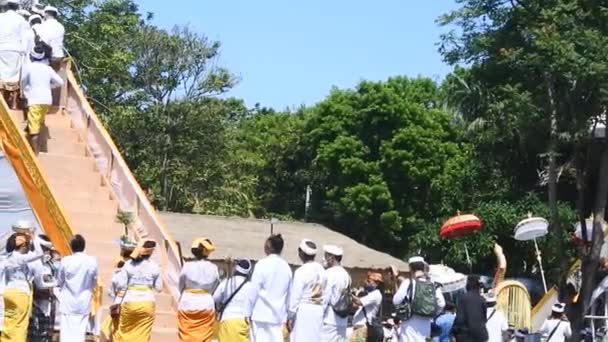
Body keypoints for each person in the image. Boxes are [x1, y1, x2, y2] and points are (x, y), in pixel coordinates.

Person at [114, 239, 162, 341]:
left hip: (129, 302)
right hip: (147, 303)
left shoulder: (128, 264)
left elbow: (121, 284)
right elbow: (159, 288)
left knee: (125, 331)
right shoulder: (155, 267)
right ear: (151, 252)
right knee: (143, 334)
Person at [250, 234, 293, 342]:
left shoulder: (262, 264)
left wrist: (247, 312)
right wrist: (287, 314)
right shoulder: (287, 267)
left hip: (260, 314)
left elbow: (253, 291)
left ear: (269, 246)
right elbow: (289, 295)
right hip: (278, 317)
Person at [21, 45, 63, 155]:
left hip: (35, 99)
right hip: (47, 100)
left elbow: (23, 82)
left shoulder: (29, 67)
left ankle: (35, 154)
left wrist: (26, 91)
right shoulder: (48, 68)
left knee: (34, 129)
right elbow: (60, 82)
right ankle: (30, 134)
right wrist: (50, 87)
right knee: (38, 122)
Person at [393, 256, 445, 342]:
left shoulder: (408, 283)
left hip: (409, 325)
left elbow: (396, 301)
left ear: (410, 268)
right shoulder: (433, 284)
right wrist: (431, 312)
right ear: (423, 267)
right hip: (426, 325)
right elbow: (441, 304)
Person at [2, 233, 42, 342]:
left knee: (9, 323)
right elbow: (39, 253)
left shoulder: (6, 257)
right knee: (20, 324)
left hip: (8, 292)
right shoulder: (20, 258)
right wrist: (35, 238)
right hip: (21, 293)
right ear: (23, 246)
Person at [57, 234, 98, 342]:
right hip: (83, 300)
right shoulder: (91, 261)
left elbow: (60, 280)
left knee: (66, 332)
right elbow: (94, 281)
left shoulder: (65, 261)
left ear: (71, 246)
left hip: (68, 300)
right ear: (84, 246)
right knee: (80, 332)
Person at [177, 238, 219, 342]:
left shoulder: (187, 266)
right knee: (204, 335)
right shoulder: (213, 268)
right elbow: (215, 286)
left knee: (186, 334)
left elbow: (181, 285)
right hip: (206, 303)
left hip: (187, 302)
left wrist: (185, 294)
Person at [287, 239, 327, 341]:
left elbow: (295, 296)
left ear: (301, 252)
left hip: (304, 310)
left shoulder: (301, 271)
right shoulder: (322, 270)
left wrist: (290, 316)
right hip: (319, 309)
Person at [213, 259, 255, 342]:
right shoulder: (251, 286)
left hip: (227, 320)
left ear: (236, 268)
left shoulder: (226, 283)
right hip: (243, 321)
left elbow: (215, 298)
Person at [27, 235, 57, 342]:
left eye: (48, 250)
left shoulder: (49, 265)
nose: (47, 252)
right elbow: (36, 283)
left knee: (46, 333)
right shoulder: (32, 262)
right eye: (45, 249)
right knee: (34, 334)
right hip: (36, 303)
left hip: (48, 303)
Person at [320, 244, 351, 342]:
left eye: (326, 256)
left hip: (329, 320)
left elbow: (325, 298)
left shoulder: (329, 273)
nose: (324, 259)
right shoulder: (346, 275)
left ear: (332, 258)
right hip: (342, 320)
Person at [452, 275, 488, 342]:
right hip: (480, 335)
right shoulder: (482, 300)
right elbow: (484, 319)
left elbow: (460, 319)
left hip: (466, 336)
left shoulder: (463, 299)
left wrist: (454, 332)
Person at [350, 272, 384, 341]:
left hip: (362, 328)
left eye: (369, 281)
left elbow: (359, 302)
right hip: (359, 328)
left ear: (376, 283)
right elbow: (355, 305)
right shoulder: (370, 294)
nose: (366, 282)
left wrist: (348, 293)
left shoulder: (375, 294)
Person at [0, 0, 28, 85]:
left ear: (7, 6)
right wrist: (23, 52)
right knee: (13, 80)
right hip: (15, 50)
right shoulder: (21, 19)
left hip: (1, 49)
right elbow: (24, 38)